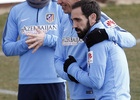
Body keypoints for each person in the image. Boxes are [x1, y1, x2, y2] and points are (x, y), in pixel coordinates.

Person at [54, 0, 135, 100]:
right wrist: (71, 74)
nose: (58, 2)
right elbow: (57, 59)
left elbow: (130, 39)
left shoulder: (98, 21)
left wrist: (106, 33)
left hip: (99, 94)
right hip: (78, 95)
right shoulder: (64, 23)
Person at [2, 0, 67, 100]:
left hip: (55, 80)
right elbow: (7, 48)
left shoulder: (60, 8)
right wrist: (25, 43)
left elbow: (69, 43)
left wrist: (46, 39)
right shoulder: (16, 10)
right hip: (27, 81)